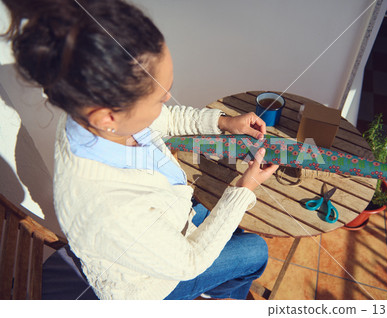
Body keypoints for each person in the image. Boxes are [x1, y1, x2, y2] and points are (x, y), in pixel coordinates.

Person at [1, 0, 279, 300]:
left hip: (170, 222)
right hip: (150, 286)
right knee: (256, 251)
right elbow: (190, 262)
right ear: (108, 116)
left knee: (227, 221)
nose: (169, 97)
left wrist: (224, 122)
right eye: (160, 98)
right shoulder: (110, 208)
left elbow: (166, 119)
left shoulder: (88, 118)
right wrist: (245, 186)